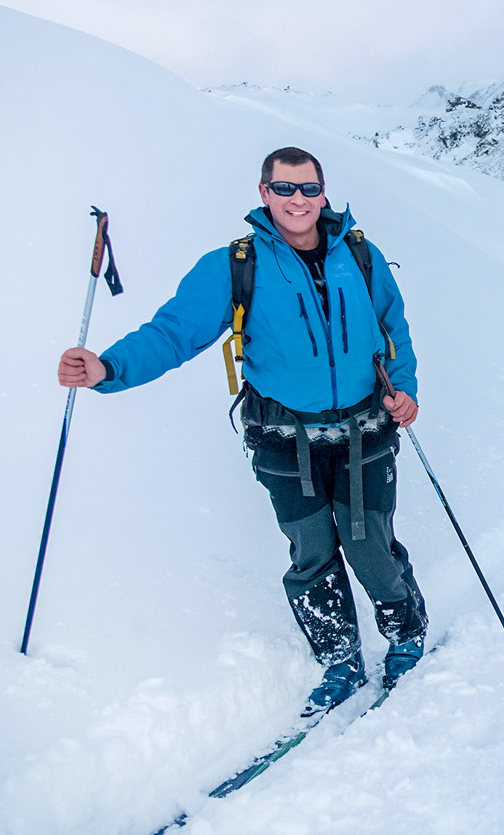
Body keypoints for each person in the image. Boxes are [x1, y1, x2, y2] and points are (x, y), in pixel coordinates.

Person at [57, 147, 428, 714]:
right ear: (264, 194)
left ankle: (405, 634)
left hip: (366, 430)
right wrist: (109, 368)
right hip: (283, 439)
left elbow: (392, 329)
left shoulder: (361, 255)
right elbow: (173, 332)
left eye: (308, 188)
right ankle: (340, 658)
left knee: (369, 544)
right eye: (284, 188)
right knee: (312, 551)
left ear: (323, 193)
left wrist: (404, 388)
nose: (297, 200)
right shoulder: (235, 265)